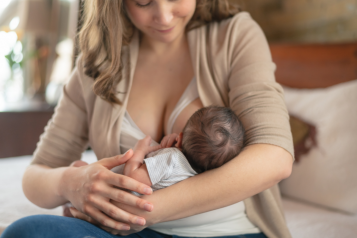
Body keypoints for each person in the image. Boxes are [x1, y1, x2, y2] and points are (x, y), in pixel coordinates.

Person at [0, 0, 294, 238]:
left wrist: (138, 212)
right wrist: (72, 184)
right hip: (124, 231)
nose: (163, 16)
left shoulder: (233, 35)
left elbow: (275, 157)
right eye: (143, 1)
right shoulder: (96, 65)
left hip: (224, 232)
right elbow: (37, 174)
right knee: (27, 232)